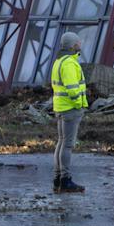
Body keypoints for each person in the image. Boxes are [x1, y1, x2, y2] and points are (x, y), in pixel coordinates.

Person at [49, 31, 88, 194]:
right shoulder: (70, 63)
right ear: (74, 45)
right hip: (70, 108)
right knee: (67, 144)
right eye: (78, 42)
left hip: (60, 107)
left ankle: (58, 178)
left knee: (61, 142)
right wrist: (79, 104)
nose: (80, 44)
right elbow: (73, 89)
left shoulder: (59, 61)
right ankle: (65, 180)